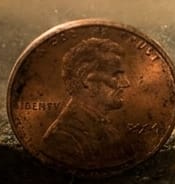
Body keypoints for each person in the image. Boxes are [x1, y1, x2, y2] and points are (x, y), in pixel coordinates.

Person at [40, 37, 133, 166]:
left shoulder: (107, 128)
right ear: (86, 80)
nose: (126, 83)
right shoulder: (63, 138)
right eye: (116, 75)